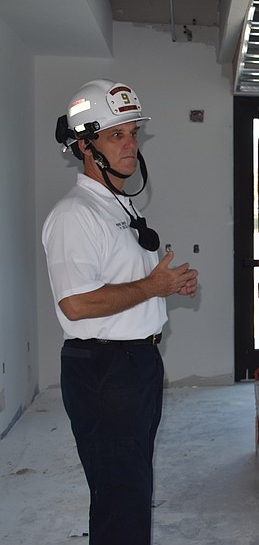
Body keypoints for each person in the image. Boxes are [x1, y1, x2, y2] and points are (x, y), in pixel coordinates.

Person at [43, 79, 199, 545]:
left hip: (134, 365)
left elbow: (120, 287)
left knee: (130, 491)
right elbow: (76, 303)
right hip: (105, 372)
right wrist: (152, 285)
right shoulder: (75, 214)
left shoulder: (116, 206)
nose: (131, 144)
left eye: (132, 133)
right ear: (85, 146)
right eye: (117, 135)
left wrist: (165, 288)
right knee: (120, 497)